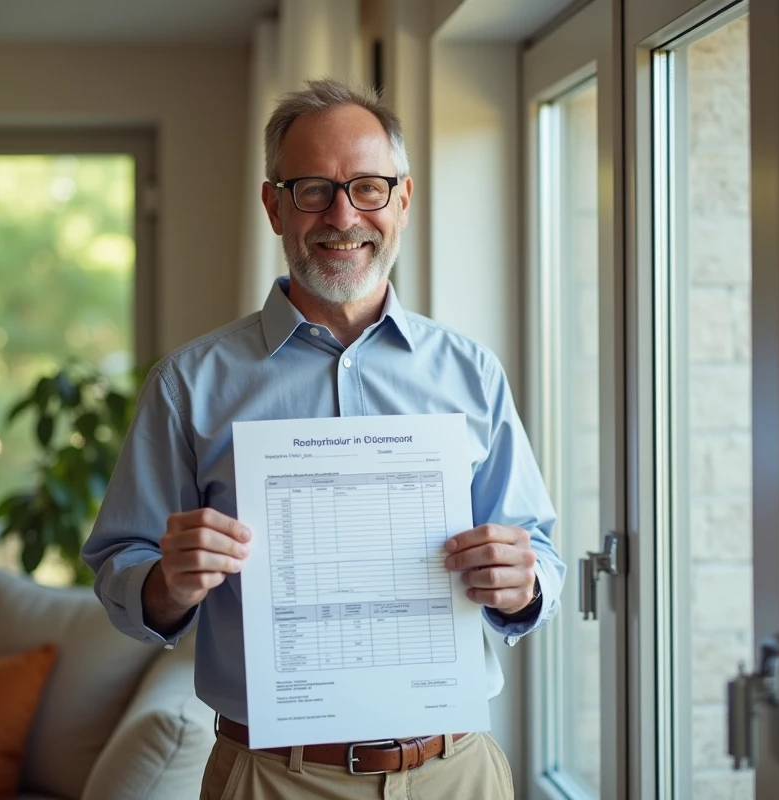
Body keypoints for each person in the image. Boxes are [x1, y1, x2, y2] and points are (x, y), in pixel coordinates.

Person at [82, 78, 566, 800]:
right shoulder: (188, 384)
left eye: (368, 187)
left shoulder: (471, 373)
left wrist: (524, 584)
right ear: (274, 204)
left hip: (456, 773)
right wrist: (166, 585)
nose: (343, 216)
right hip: (273, 778)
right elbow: (120, 563)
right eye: (313, 190)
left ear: (402, 200)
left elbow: (539, 551)